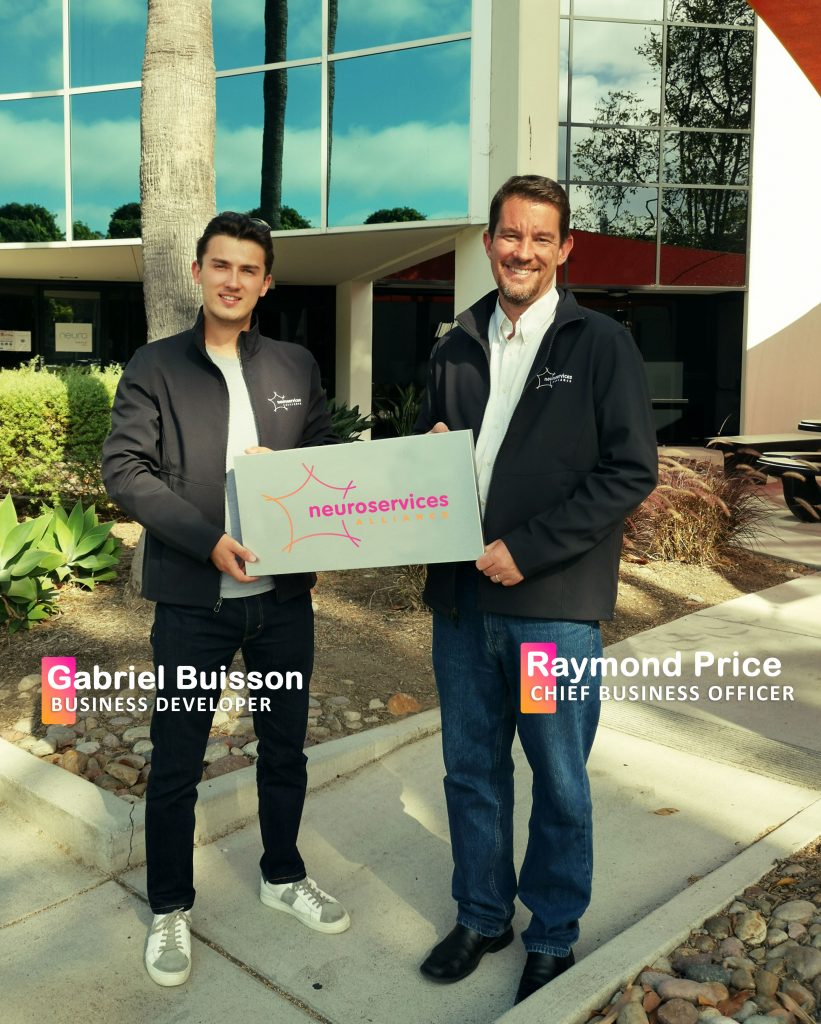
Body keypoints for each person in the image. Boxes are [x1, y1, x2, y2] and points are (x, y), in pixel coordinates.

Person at [415, 176, 658, 1005]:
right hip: (461, 604)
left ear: (563, 249)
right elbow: (436, 461)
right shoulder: (454, 342)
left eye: (538, 238)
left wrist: (528, 549)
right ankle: (483, 915)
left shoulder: (598, 343)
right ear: (488, 242)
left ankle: (552, 933)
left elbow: (629, 470)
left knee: (558, 781)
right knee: (470, 772)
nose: (521, 251)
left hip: (552, 612)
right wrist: (425, 460)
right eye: (507, 236)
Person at [102, 212, 348, 989]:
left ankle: (282, 875)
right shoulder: (156, 365)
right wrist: (206, 538)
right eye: (221, 266)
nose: (233, 280)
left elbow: (326, 462)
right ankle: (170, 907)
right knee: (176, 760)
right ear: (199, 273)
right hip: (193, 604)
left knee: (284, 749)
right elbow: (127, 470)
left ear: (266, 281)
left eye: (248, 269)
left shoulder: (295, 365)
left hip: (281, 604)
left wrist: (296, 477)